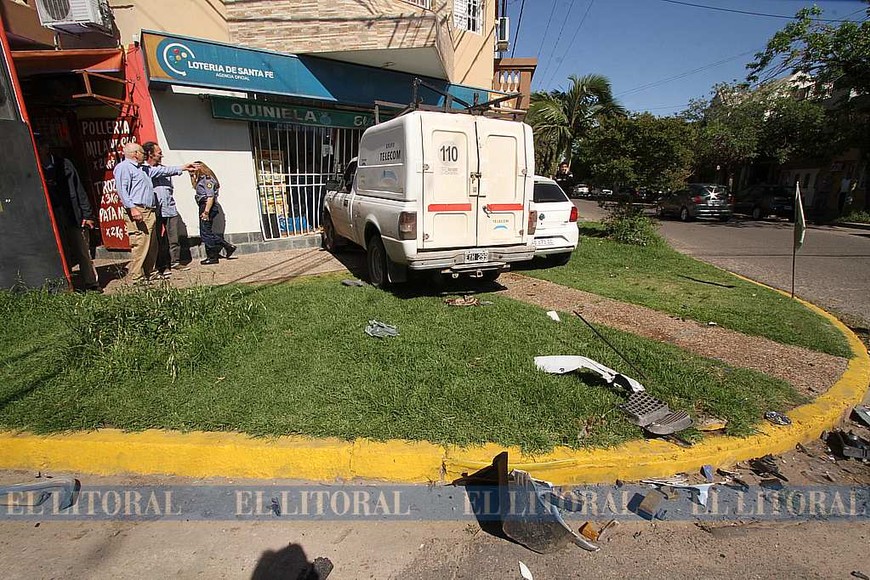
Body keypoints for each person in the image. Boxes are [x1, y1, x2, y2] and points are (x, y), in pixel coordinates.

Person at [113, 142, 194, 283]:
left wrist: (183, 168)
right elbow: (122, 190)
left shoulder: (143, 169)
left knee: (151, 244)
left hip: (149, 210)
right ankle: (137, 276)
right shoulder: (124, 168)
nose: (144, 155)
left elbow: (162, 171)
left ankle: (149, 272)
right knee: (140, 243)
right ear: (135, 154)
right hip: (138, 210)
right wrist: (132, 208)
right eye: (142, 153)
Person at [37, 142, 100, 292]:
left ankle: (91, 283)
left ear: (46, 148)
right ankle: (64, 286)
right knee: (60, 251)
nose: (39, 150)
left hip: (72, 213)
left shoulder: (64, 164)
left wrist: (87, 214)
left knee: (82, 250)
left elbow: (79, 189)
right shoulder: (34, 166)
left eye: (41, 146)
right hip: (51, 216)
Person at [143, 141, 188, 276]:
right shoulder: (145, 170)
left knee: (173, 238)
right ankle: (160, 265)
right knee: (156, 240)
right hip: (154, 209)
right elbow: (157, 173)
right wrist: (183, 167)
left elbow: (169, 185)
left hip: (169, 208)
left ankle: (175, 261)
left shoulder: (165, 168)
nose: (161, 155)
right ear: (150, 154)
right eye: (159, 153)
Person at [191, 161, 236, 265]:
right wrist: (192, 176)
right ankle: (226, 247)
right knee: (206, 231)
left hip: (207, 206)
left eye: (194, 168)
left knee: (205, 233)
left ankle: (213, 257)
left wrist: (206, 212)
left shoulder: (207, 179)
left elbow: (210, 197)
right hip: (205, 205)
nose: (192, 170)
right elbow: (195, 187)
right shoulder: (201, 179)